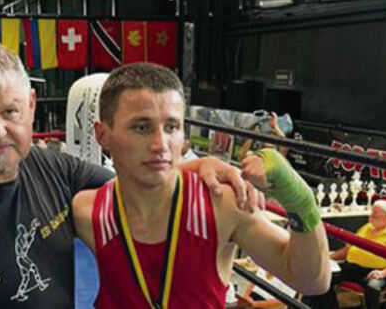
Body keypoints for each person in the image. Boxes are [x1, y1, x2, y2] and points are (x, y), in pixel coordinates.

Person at [0, 41, 260, 309]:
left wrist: (194, 166)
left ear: (30, 105)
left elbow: (137, 180)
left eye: (9, 112)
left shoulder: (52, 167)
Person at [71, 63, 330, 308]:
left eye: (172, 127)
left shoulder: (221, 203)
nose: (161, 144)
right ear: (103, 135)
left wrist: (300, 200)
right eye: (142, 127)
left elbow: (312, 281)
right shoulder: (86, 211)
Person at [303, 200, 386, 309]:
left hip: (375, 272)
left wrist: (383, 273)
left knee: (373, 287)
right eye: (371, 214)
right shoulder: (366, 227)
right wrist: (330, 256)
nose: (370, 218)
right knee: (323, 277)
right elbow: (348, 248)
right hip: (351, 267)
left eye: (375, 215)